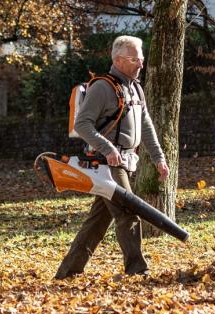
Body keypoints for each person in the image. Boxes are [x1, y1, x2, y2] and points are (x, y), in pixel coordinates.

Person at [54, 35, 170, 279]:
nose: (141, 64)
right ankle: (138, 270)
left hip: (125, 162)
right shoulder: (102, 87)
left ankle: (68, 271)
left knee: (99, 219)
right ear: (118, 60)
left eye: (142, 58)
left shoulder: (136, 87)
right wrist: (108, 149)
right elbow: (82, 124)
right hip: (106, 163)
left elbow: (146, 125)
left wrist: (159, 158)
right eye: (135, 59)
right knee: (128, 212)